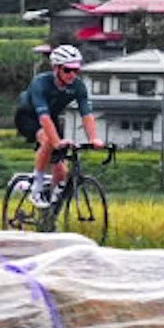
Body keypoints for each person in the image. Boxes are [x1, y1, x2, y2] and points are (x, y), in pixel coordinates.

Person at [14, 44, 102, 207]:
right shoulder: (41, 83)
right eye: (67, 70)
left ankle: (50, 211)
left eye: (76, 70)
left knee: (62, 171)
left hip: (51, 117)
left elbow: (87, 114)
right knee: (48, 140)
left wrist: (94, 138)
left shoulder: (78, 86)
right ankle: (37, 187)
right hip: (29, 116)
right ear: (56, 68)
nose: (72, 75)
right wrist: (56, 142)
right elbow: (44, 118)